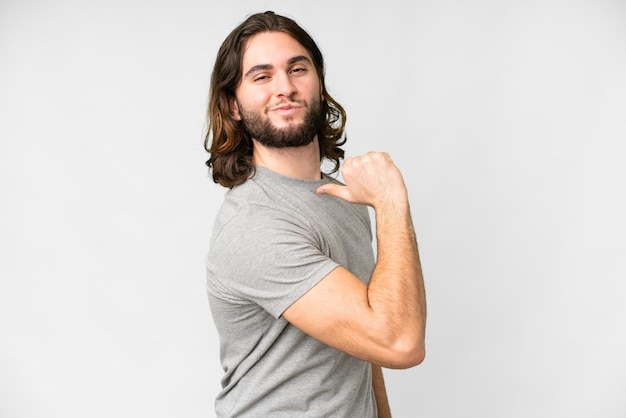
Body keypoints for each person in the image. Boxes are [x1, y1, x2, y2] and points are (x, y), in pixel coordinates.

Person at [204, 11, 426, 417]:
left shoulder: (339, 198)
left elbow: (363, 342)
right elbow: (398, 342)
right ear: (233, 105)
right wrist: (392, 203)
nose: (285, 87)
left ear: (319, 85)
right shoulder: (255, 225)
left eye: (297, 69)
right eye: (262, 76)